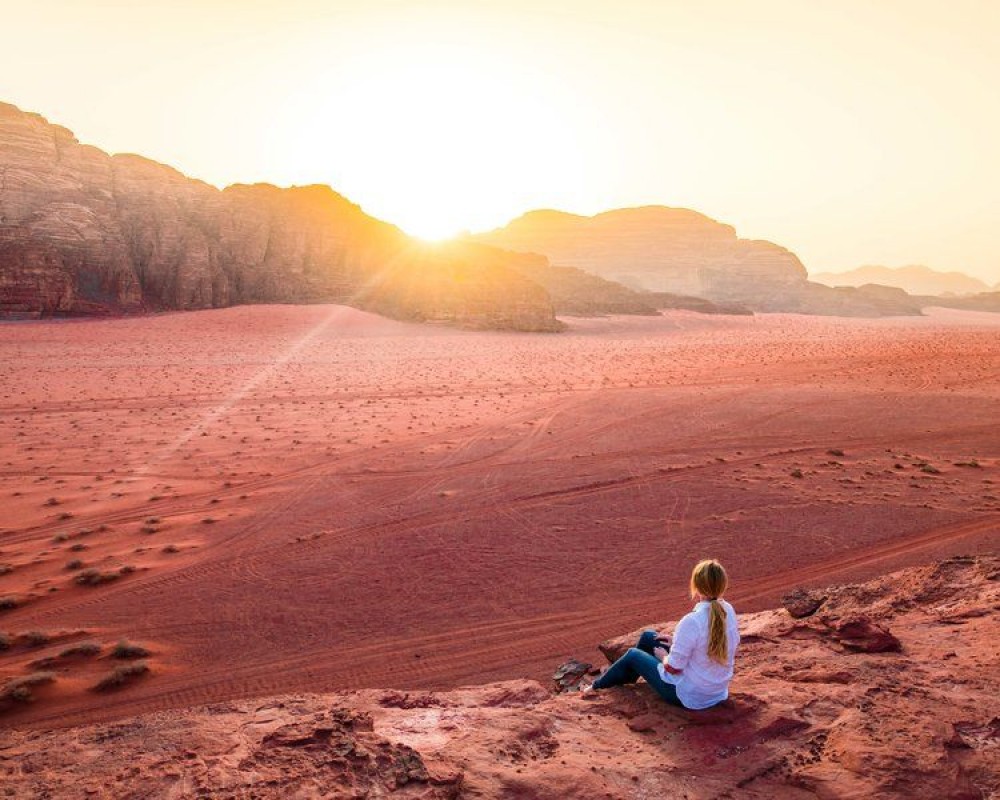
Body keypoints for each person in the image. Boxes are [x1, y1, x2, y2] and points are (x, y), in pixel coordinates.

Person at [581, 559, 739, 710]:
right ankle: (625, 678)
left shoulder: (692, 621)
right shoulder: (728, 610)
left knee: (633, 655)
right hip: (715, 691)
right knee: (648, 637)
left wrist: (663, 657)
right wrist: (675, 641)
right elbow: (709, 644)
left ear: (696, 586)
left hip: (689, 696)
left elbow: (673, 668)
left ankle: (596, 687)